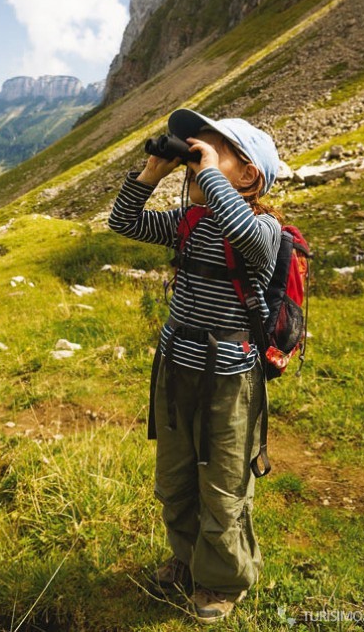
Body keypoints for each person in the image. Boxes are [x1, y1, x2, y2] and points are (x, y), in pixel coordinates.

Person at [108, 107, 281, 624]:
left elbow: (245, 234)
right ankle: (186, 559)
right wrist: (152, 174)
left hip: (229, 380)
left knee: (223, 482)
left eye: (210, 150)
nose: (194, 159)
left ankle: (223, 580)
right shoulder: (189, 222)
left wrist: (205, 171)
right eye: (192, 151)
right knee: (177, 474)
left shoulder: (264, 230)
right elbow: (123, 222)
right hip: (176, 368)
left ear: (248, 174)